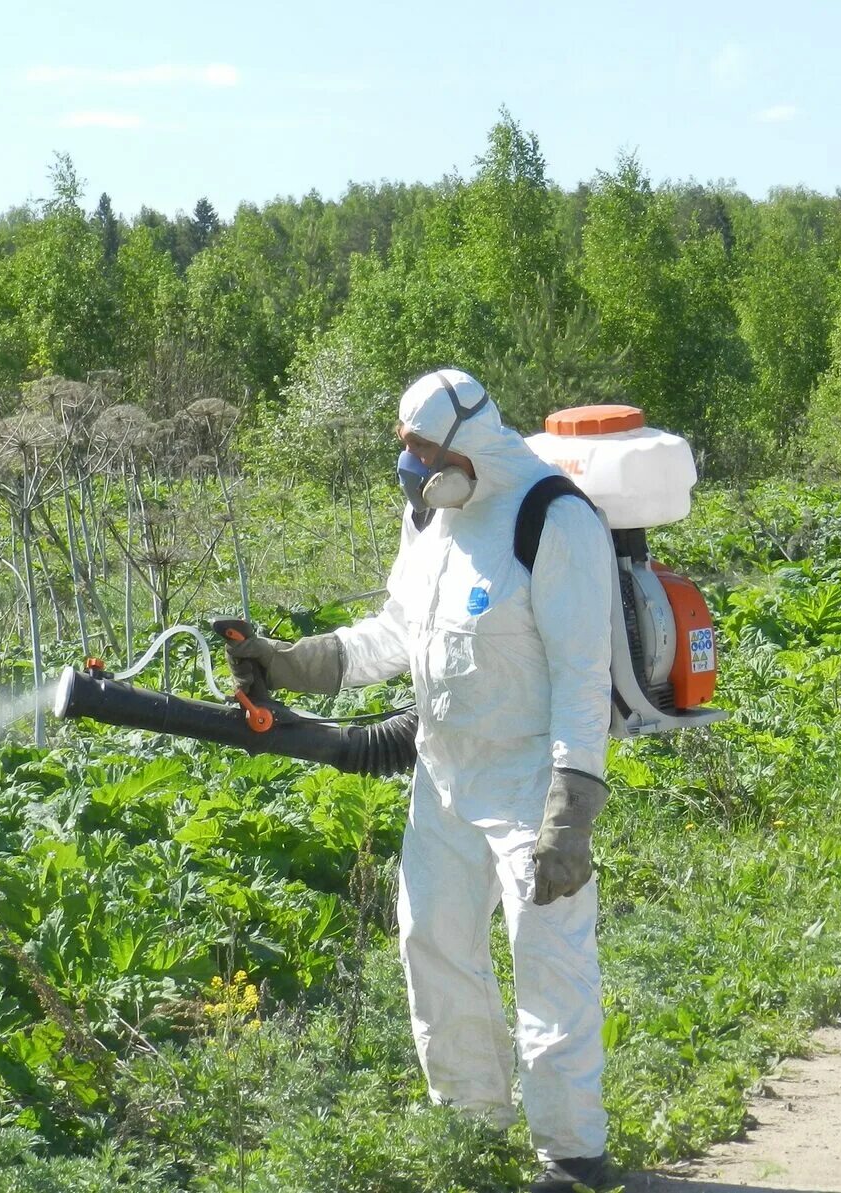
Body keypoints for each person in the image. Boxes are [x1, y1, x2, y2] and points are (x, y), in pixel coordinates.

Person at [227, 368, 619, 1193]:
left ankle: (573, 1155)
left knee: (548, 958)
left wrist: (571, 810)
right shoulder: (433, 515)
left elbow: (585, 678)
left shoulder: (554, 520)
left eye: (421, 451)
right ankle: (472, 1131)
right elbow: (398, 631)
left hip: (529, 782)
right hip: (443, 770)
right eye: (404, 451)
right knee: (431, 942)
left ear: (469, 441)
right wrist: (297, 662)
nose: (410, 468)